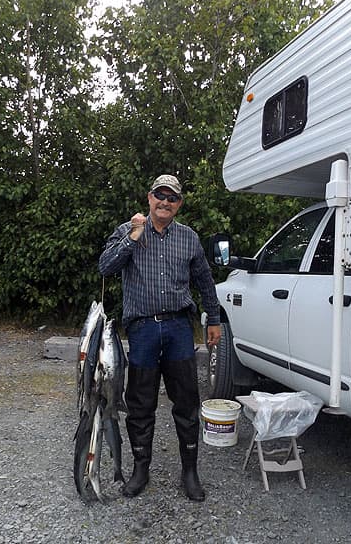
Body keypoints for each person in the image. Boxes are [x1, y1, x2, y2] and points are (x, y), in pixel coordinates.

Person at [98, 174, 221, 502]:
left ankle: (190, 471)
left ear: (179, 204)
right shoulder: (129, 230)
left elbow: (205, 281)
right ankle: (141, 468)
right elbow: (105, 268)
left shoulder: (188, 238)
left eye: (172, 197)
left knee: (187, 402)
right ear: (149, 198)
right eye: (159, 195)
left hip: (180, 328)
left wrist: (215, 319)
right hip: (143, 331)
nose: (165, 202)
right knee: (140, 403)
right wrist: (132, 238)